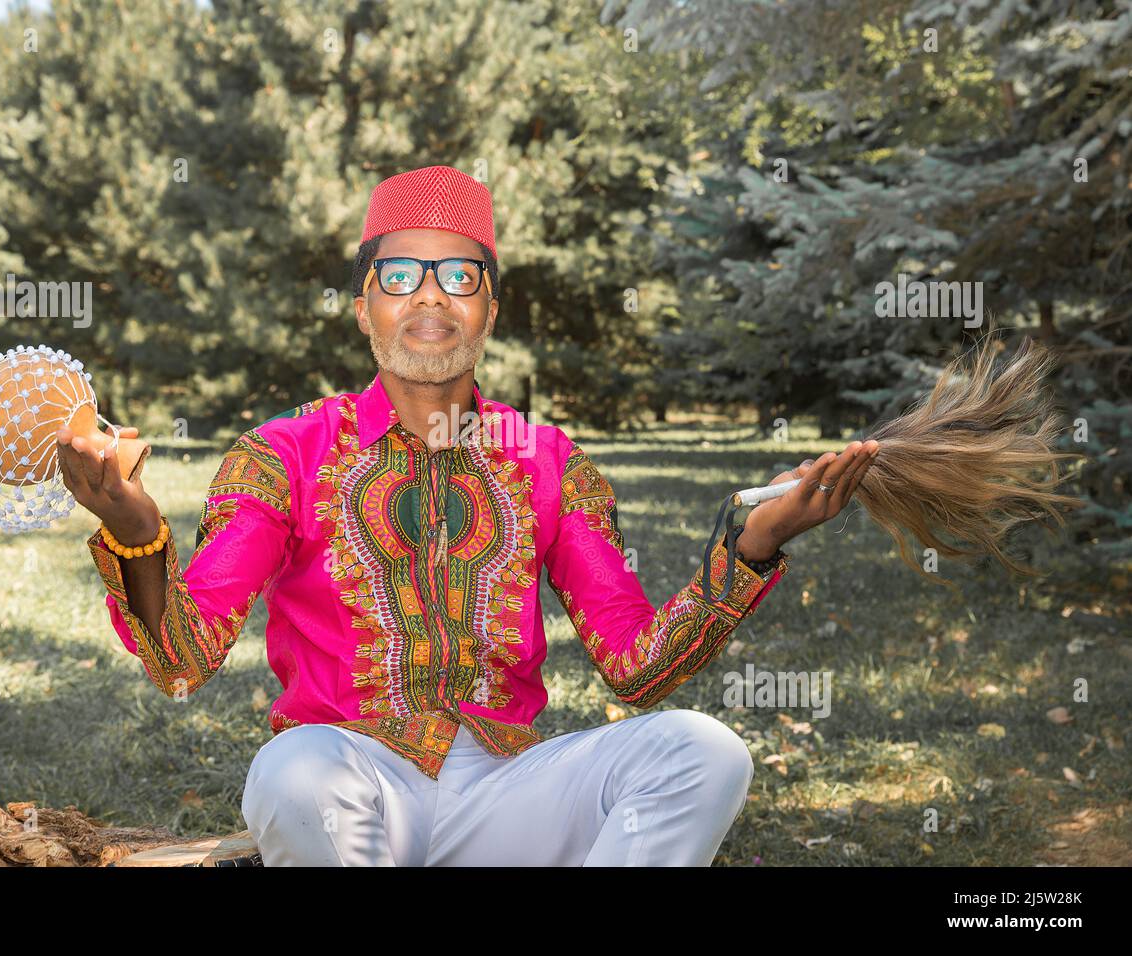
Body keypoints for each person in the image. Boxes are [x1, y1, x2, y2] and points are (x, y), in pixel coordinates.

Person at [56, 164, 878, 866]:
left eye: (459, 277)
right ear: (361, 306)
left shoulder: (548, 460)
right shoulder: (283, 454)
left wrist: (754, 545)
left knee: (704, 752)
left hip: (508, 791)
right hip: (349, 783)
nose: (431, 299)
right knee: (290, 771)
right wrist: (134, 531)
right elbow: (181, 660)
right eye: (401, 275)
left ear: (489, 308)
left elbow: (636, 667)